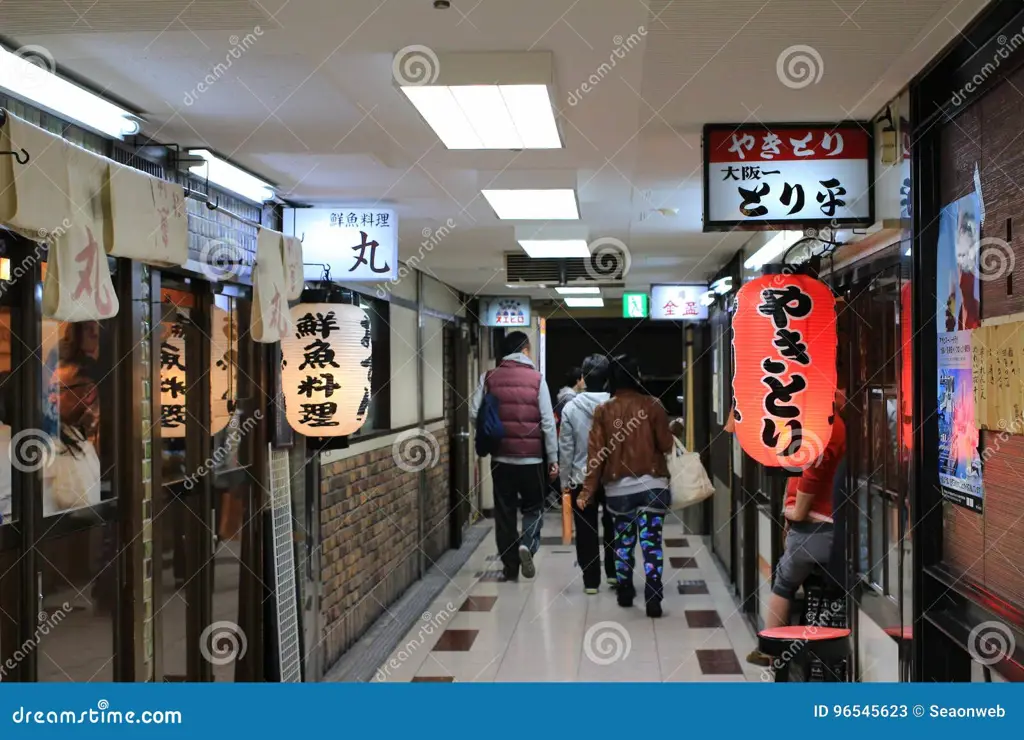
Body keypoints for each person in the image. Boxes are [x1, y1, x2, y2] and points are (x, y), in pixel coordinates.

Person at [745, 393, 848, 666]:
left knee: (784, 583)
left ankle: (770, 650)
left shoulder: (827, 428)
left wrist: (794, 513)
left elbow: (811, 478)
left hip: (816, 526)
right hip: (836, 529)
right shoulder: (833, 424)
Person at [578, 354, 673, 617]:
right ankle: (653, 596)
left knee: (623, 541)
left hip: (618, 491)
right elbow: (666, 445)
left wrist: (587, 491)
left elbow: (595, 456)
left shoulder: (604, 411)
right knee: (651, 542)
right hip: (653, 485)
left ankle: (625, 590)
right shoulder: (653, 405)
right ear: (637, 376)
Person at [472, 331, 558, 582]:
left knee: (505, 512)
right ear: (525, 350)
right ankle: (527, 545)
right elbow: (547, 422)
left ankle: (510, 568)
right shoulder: (537, 379)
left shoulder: (488, 377)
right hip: (532, 460)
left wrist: (490, 428)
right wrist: (552, 458)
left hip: (501, 459)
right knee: (533, 506)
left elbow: (474, 412)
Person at [559, 354, 614, 594]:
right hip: (613, 476)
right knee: (614, 524)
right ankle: (614, 573)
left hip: (581, 478)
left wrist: (565, 482)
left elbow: (566, 449)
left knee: (586, 529)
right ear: (606, 380)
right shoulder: (615, 404)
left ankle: (591, 581)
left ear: (583, 378)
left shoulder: (571, 407)